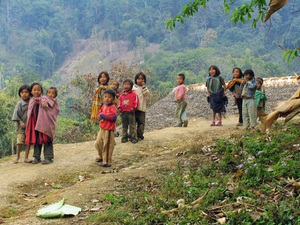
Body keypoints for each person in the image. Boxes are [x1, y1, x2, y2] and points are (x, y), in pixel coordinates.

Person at [25, 83, 60, 164]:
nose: (36, 91)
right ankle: (36, 157)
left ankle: (48, 157)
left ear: (41, 91)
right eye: (34, 90)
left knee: (47, 139)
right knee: (37, 140)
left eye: (38, 90)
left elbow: (55, 110)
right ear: (31, 91)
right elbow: (29, 113)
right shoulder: (31, 100)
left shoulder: (46, 100)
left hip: (46, 123)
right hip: (35, 123)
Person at [95, 89, 117, 167]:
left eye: (109, 97)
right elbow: (99, 113)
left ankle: (106, 162)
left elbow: (114, 117)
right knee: (98, 143)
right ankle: (101, 156)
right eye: (105, 97)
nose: (107, 99)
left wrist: (103, 116)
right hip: (102, 128)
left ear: (113, 99)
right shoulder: (104, 106)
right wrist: (99, 116)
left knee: (107, 145)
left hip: (109, 129)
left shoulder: (112, 107)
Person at [12, 84, 32, 163]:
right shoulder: (19, 104)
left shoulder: (32, 102)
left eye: (26, 92)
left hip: (30, 126)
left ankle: (26, 157)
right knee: (20, 141)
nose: (24, 94)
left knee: (28, 142)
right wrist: (20, 122)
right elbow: (15, 115)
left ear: (30, 93)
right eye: (22, 92)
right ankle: (17, 156)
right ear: (20, 93)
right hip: (21, 127)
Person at [118, 79, 139, 144]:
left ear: (131, 86)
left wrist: (133, 107)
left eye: (128, 84)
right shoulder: (122, 95)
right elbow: (120, 102)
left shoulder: (133, 94)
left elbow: (136, 102)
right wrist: (119, 108)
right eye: (125, 84)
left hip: (131, 112)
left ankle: (133, 138)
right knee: (124, 126)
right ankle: (124, 137)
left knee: (132, 126)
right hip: (124, 112)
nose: (126, 86)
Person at [132, 72, 150, 140]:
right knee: (133, 123)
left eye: (142, 79)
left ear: (144, 80)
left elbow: (147, 94)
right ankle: (133, 135)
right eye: (138, 79)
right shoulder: (133, 88)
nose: (140, 80)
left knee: (141, 123)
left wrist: (144, 87)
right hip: (134, 109)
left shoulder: (144, 88)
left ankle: (139, 135)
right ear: (136, 79)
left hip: (142, 109)